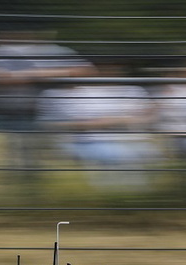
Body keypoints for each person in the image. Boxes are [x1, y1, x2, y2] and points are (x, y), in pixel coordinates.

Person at [0, 29, 91, 189]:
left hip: (36, 112)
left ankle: (30, 186)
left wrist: (37, 74)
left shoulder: (52, 51)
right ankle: (2, 187)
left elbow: (84, 70)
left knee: (33, 155)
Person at [37, 63, 158, 192]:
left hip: (121, 138)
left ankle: (131, 192)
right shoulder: (58, 94)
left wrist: (116, 120)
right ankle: (121, 192)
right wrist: (94, 124)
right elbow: (51, 124)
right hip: (87, 141)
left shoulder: (124, 90)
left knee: (150, 156)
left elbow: (145, 115)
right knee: (119, 155)